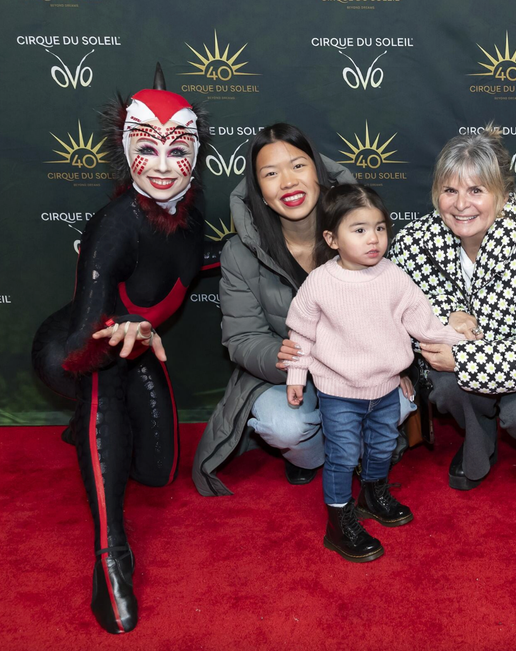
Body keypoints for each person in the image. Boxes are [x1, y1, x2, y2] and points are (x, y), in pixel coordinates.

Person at [30, 67, 219, 634]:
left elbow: (190, 268)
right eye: (146, 148)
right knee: (103, 383)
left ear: (196, 154)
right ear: (126, 150)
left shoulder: (189, 219)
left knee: (158, 473)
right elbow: (86, 337)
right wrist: (127, 332)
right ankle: (110, 556)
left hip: (138, 347)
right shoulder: (115, 224)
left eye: (177, 150)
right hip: (76, 349)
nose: (162, 166)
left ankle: (80, 436)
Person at [387, 127, 516, 490]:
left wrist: (466, 360)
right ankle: (477, 445)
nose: (460, 204)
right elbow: (394, 304)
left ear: (502, 195)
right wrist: (444, 313)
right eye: (449, 190)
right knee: (447, 385)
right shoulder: (414, 241)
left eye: (476, 190)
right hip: (467, 354)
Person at [285, 184, 465, 562]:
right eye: (360, 229)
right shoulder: (319, 282)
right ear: (332, 238)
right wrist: (296, 377)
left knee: (383, 446)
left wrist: (459, 338)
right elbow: (300, 334)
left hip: (385, 389)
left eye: (380, 228)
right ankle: (338, 522)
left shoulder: (394, 277)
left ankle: (372, 493)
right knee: (343, 454)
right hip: (338, 391)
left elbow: (423, 322)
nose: (374, 239)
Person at [192, 124, 355, 496]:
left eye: (298, 166)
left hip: (355, 366)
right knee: (284, 427)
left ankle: (348, 448)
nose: (287, 182)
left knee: (397, 405)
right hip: (284, 375)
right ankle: (314, 458)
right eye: (270, 173)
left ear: (319, 174)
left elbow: (393, 305)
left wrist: (401, 363)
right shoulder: (239, 252)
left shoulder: (358, 230)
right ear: (260, 193)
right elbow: (242, 337)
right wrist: (276, 355)